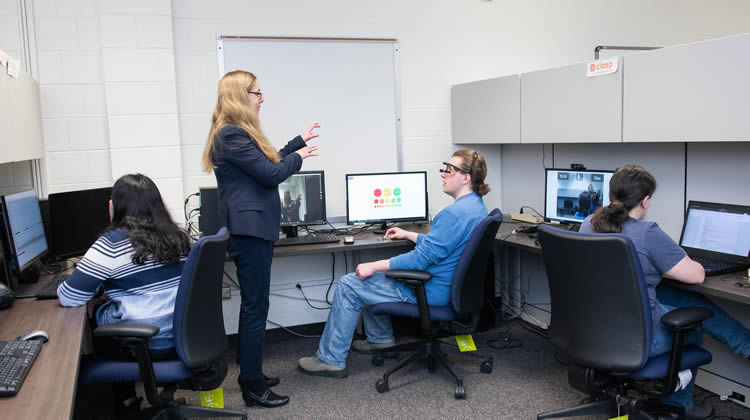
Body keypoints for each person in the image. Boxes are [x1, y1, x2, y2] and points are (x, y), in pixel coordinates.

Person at [298, 149, 490, 377]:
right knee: (371, 277)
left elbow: (421, 259)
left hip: (432, 289)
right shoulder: (476, 207)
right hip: (451, 287)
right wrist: (411, 235)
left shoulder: (453, 215)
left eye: (449, 169)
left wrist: (374, 265)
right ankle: (381, 341)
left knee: (351, 283)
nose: (443, 174)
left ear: (466, 177)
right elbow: (445, 245)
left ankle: (330, 360)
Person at [580, 164, 750, 420]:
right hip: (639, 340)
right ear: (646, 201)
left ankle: (746, 344)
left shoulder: (587, 224)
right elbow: (697, 275)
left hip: (595, 328)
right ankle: (679, 406)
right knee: (692, 327)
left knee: (684, 299)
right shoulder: (648, 234)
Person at [201, 70, 319, 408]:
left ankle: (253, 373)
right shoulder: (231, 135)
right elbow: (271, 174)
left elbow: (265, 163)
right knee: (255, 308)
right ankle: (251, 385)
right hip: (250, 232)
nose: (262, 98)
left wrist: (297, 142)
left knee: (256, 306)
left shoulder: (234, 134)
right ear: (241, 96)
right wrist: (299, 158)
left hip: (253, 230)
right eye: (257, 93)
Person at [57, 173, 191, 415]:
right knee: (106, 305)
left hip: (150, 341)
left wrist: (98, 295)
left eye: (111, 199)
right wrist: (112, 292)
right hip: (185, 337)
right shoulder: (177, 236)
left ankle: (124, 399)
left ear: (118, 205)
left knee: (96, 313)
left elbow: (68, 296)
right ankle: (126, 396)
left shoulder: (112, 243)